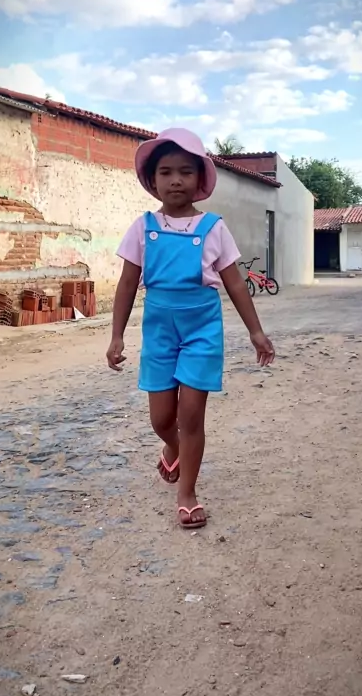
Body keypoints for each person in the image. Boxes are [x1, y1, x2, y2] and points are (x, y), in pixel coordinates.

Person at [106, 128, 274, 529]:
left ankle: (187, 493)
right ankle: (173, 448)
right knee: (162, 419)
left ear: (200, 179)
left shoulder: (214, 228)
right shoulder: (142, 227)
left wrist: (255, 331)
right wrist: (116, 336)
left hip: (202, 331)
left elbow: (235, 283)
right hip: (159, 333)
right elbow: (127, 284)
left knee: (192, 415)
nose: (176, 180)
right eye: (165, 172)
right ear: (152, 180)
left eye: (185, 171)